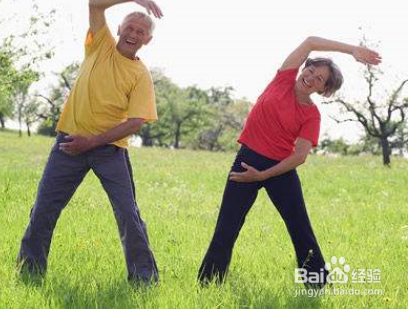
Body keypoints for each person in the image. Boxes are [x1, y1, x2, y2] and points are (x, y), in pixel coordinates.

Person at [198, 36, 381, 288]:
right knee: (226, 227)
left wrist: (263, 176)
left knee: (300, 229)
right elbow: (310, 42)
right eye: (312, 70)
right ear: (304, 67)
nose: (311, 77)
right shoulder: (283, 79)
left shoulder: (311, 115)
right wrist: (351, 50)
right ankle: (207, 285)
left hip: (281, 170)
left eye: (320, 79)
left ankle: (316, 285)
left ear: (323, 90)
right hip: (246, 161)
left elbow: (300, 156)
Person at [17, 0, 163, 286]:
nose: (134, 34)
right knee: (44, 208)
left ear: (148, 40)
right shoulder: (102, 45)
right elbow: (95, 5)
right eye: (130, 27)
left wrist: (93, 141)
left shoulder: (141, 75)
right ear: (119, 28)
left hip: (110, 150)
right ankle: (29, 272)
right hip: (69, 144)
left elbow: (136, 122)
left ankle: (144, 279)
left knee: (127, 215)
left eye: (141, 31)